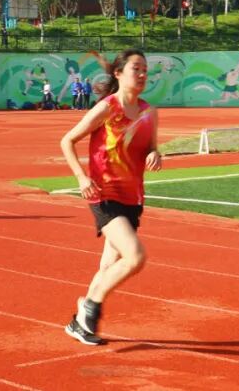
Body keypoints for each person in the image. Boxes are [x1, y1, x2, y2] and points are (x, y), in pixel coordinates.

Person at [59, 49, 162, 346]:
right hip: (104, 193)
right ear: (118, 73)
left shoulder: (149, 112)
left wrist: (155, 154)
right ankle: (91, 307)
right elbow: (67, 140)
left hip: (133, 197)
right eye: (135, 68)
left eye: (145, 69)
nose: (142, 74)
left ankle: (79, 324)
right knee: (135, 256)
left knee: (108, 268)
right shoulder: (107, 107)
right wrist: (81, 177)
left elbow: (151, 147)